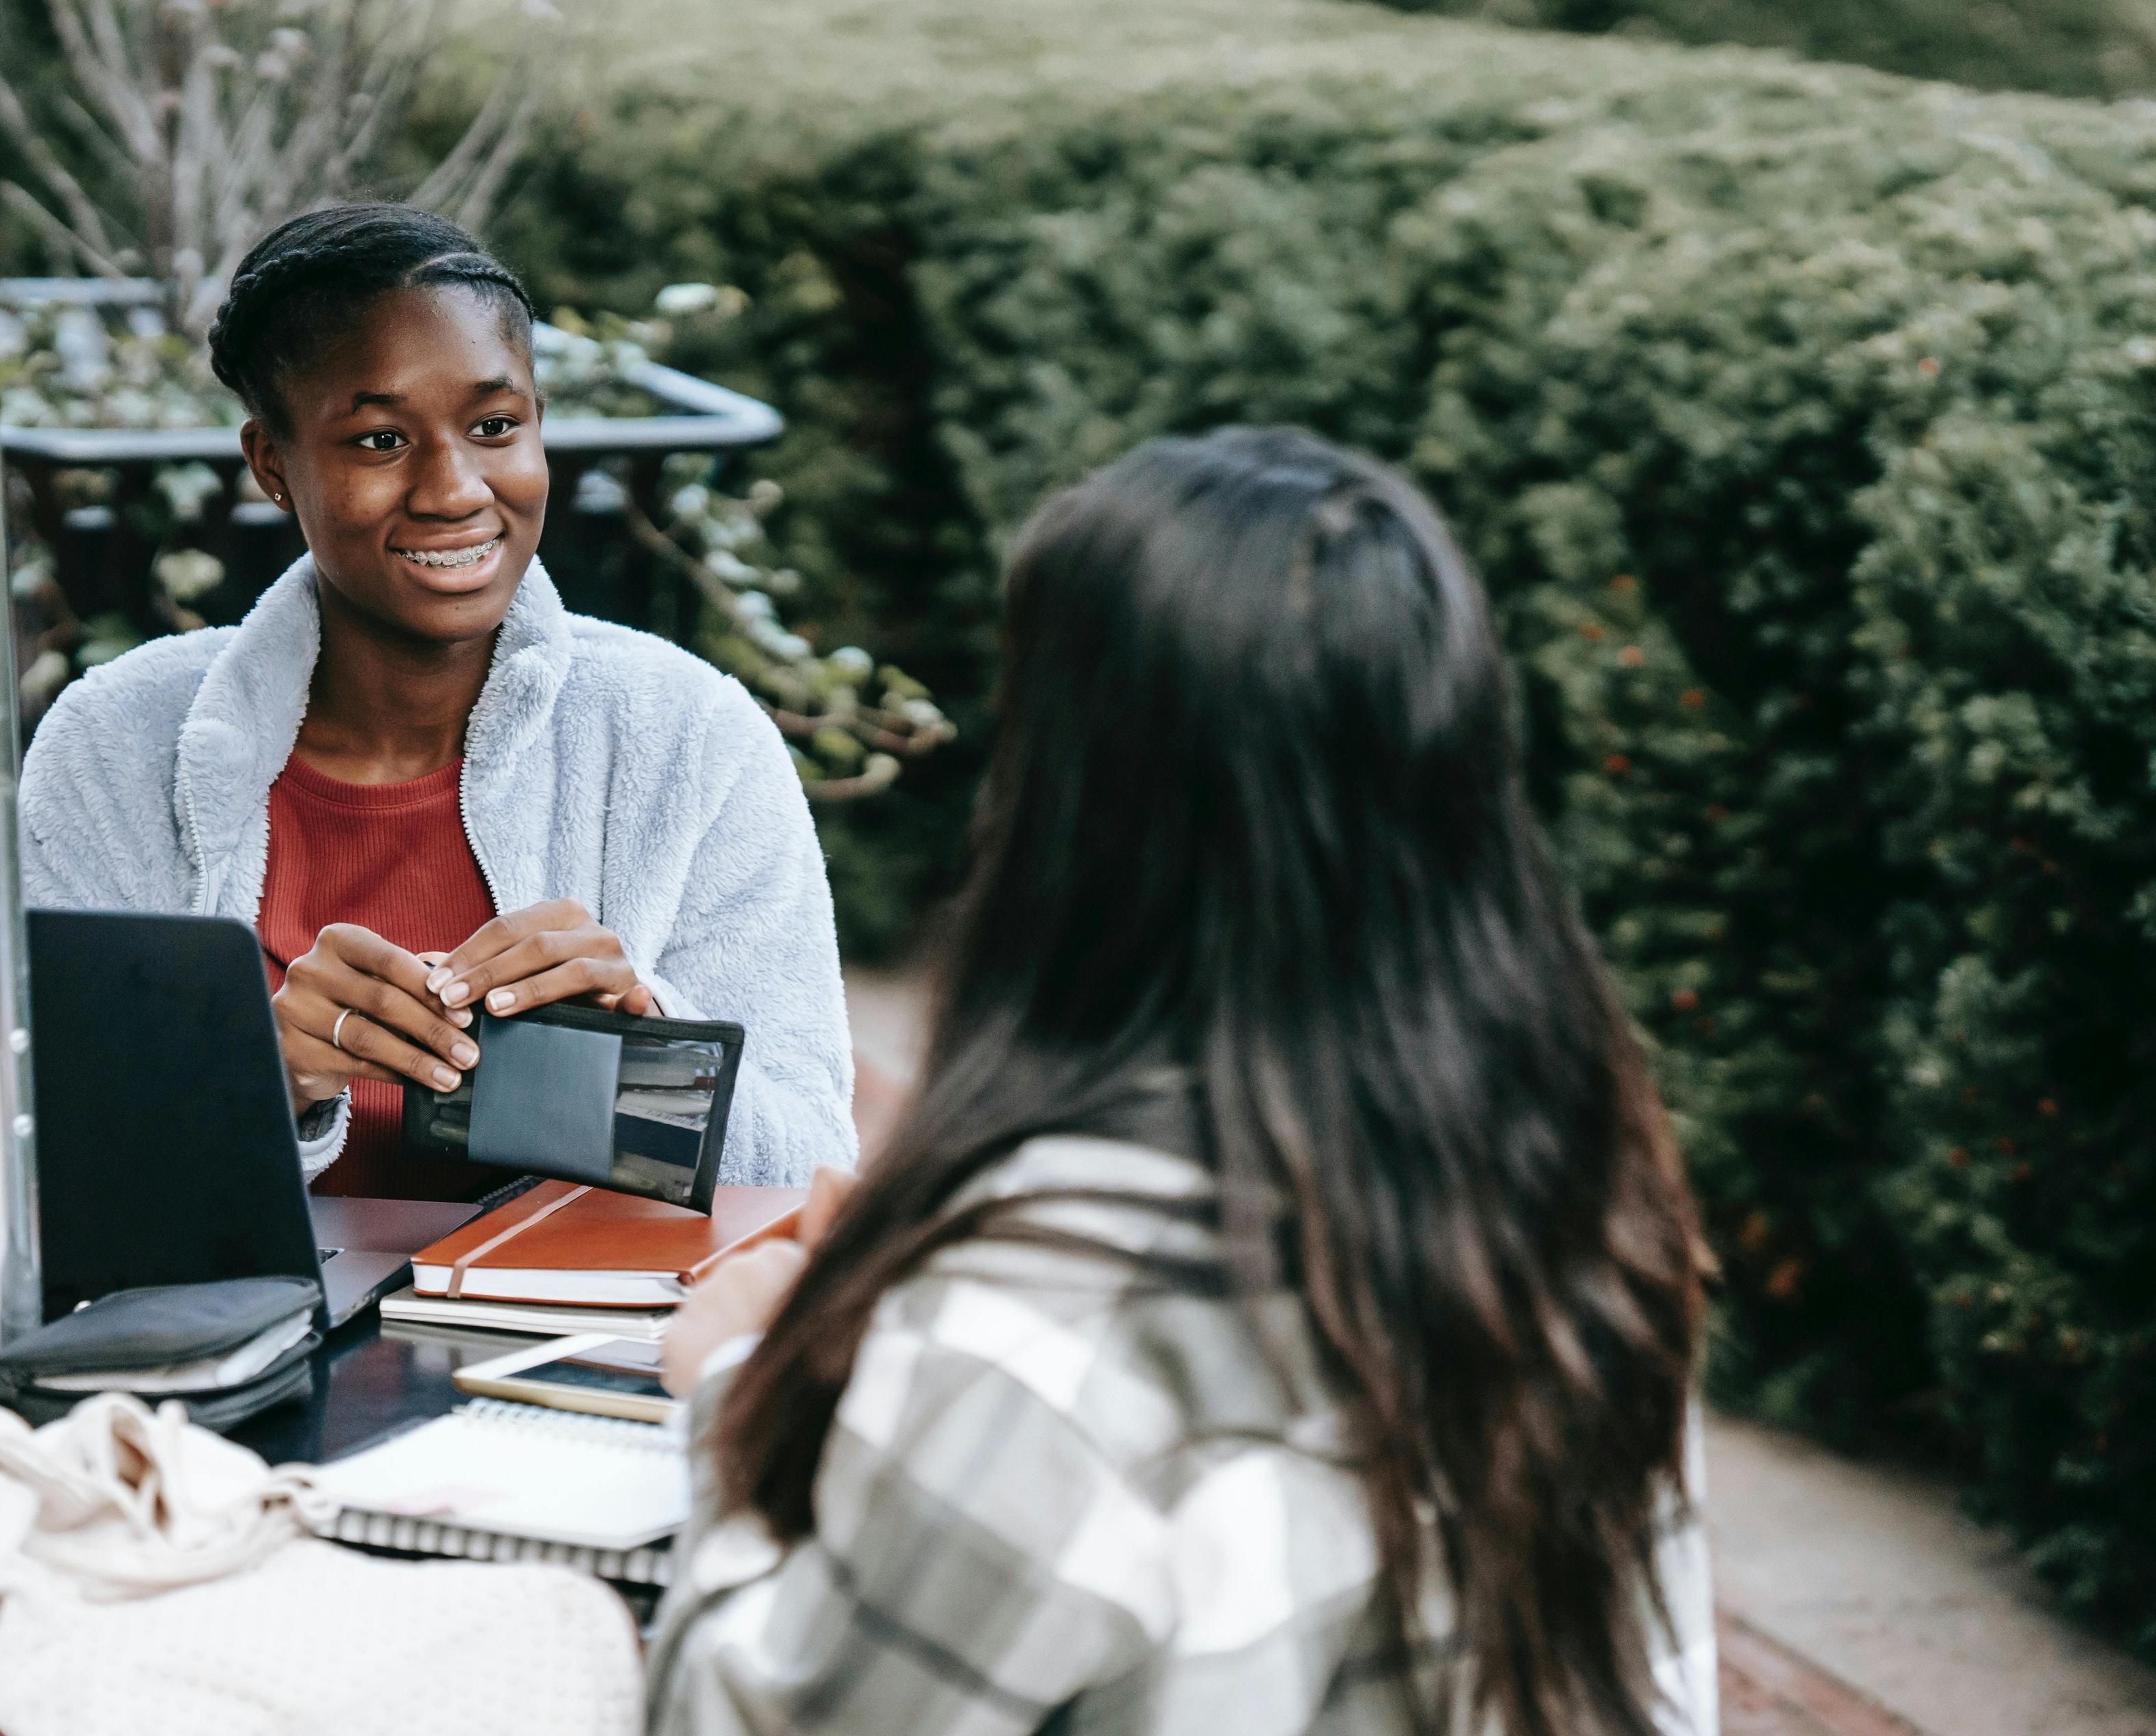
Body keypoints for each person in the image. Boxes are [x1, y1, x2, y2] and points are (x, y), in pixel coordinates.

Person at [652, 428, 1717, 1736]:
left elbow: (753, 1719)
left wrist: (740, 1382)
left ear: (1086, 806)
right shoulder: (1571, 1207)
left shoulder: (1038, 1313)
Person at [18, 204, 855, 1198]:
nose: (454, 488)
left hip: (584, 1347)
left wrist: (652, 1041)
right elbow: (39, 1158)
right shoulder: (116, 741)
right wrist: (259, 1075)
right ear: (273, 465)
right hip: (237, 1344)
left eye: (496, 427)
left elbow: (813, 1175)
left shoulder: (688, 740)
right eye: (379, 441)